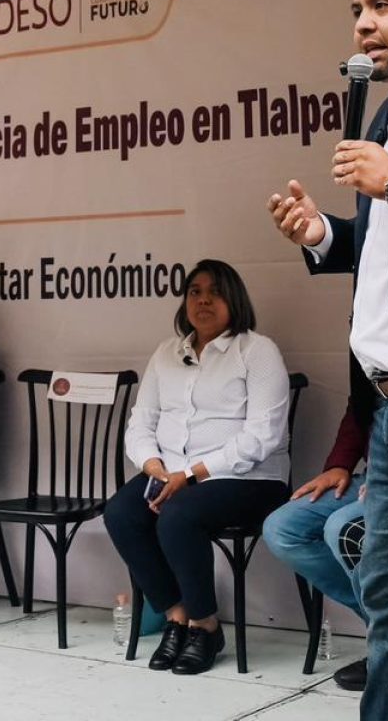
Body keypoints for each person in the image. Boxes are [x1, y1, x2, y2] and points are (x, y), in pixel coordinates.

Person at [267, 0, 388, 719]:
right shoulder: (387, 120)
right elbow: (386, 249)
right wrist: (323, 232)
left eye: (382, 5)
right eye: (357, 10)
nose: (362, 24)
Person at [103, 259, 290, 676]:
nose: (203, 300)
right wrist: (153, 465)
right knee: (120, 513)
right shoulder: (166, 353)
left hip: (247, 478)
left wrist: (189, 475)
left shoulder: (256, 350)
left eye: (215, 292)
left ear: (234, 299)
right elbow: (141, 422)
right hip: (171, 473)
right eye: (195, 292)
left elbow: (262, 437)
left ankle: (206, 627)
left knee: (178, 516)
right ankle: (177, 615)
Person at [261, 382, 370, 691]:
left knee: (342, 528)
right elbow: (362, 405)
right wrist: (339, 464)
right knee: (283, 528)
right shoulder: (368, 354)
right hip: (373, 476)